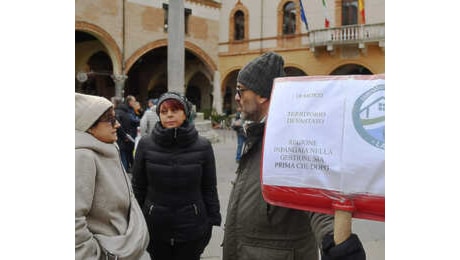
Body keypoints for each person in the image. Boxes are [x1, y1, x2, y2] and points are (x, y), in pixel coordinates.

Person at [222, 52, 366, 260]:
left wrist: (335, 243)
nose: (236, 97)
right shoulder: (259, 133)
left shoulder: (294, 137)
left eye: (241, 90)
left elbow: (317, 200)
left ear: (262, 94)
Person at [131, 92, 222, 260]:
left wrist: (212, 220)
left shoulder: (203, 146)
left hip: (192, 226)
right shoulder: (146, 145)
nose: (169, 115)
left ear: (185, 113)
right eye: (164, 111)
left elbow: (209, 187)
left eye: (175, 110)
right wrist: (138, 220)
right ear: (159, 115)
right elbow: (138, 187)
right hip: (155, 226)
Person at [75, 93, 150, 260]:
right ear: (88, 125)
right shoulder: (82, 157)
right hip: (110, 253)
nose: (117, 124)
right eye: (109, 119)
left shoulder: (107, 147)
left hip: (124, 249)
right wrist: (94, 254)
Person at [115, 95, 140, 172]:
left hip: (126, 137)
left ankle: (126, 172)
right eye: (134, 101)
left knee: (126, 156)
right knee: (125, 156)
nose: (135, 103)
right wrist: (125, 136)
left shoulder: (126, 111)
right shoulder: (125, 112)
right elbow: (120, 125)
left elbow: (120, 125)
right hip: (125, 137)